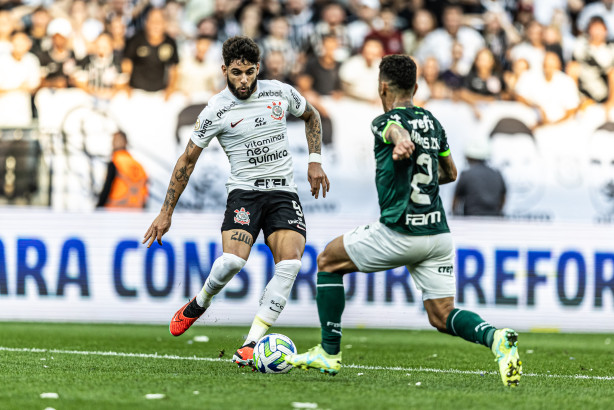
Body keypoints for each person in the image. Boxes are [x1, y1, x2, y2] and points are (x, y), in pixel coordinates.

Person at [285, 55, 522, 388]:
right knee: (441, 315)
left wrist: (401, 141)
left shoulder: (384, 121)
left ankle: (329, 352)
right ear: (416, 86)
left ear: (382, 87)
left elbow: (393, 129)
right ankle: (496, 338)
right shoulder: (434, 122)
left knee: (327, 261)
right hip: (438, 234)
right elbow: (450, 173)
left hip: (399, 231)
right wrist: (416, 167)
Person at [142, 36, 329, 369]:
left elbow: (312, 116)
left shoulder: (279, 92)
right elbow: (187, 160)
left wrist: (315, 159)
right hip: (244, 193)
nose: (243, 80)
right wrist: (165, 212)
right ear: (225, 70)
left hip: (283, 193)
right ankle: (199, 303)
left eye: (249, 72)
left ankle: (250, 344)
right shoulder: (216, 109)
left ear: (258, 69)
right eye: (236, 73)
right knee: (232, 262)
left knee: (290, 264)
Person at [453, 138, 506, 217]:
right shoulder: (497, 174)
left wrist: (455, 217)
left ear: (469, 157)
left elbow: (455, 201)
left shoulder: (466, 174)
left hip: (470, 221)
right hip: (495, 221)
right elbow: (503, 198)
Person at [97, 131, 148, 208]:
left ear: (125, 142)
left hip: (115, 211)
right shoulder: (139, 165)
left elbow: (107, 187)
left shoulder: (116, 162)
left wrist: (98, 208)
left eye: (116, 140)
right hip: (137, 213)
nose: (114, 143)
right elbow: (145, 191)